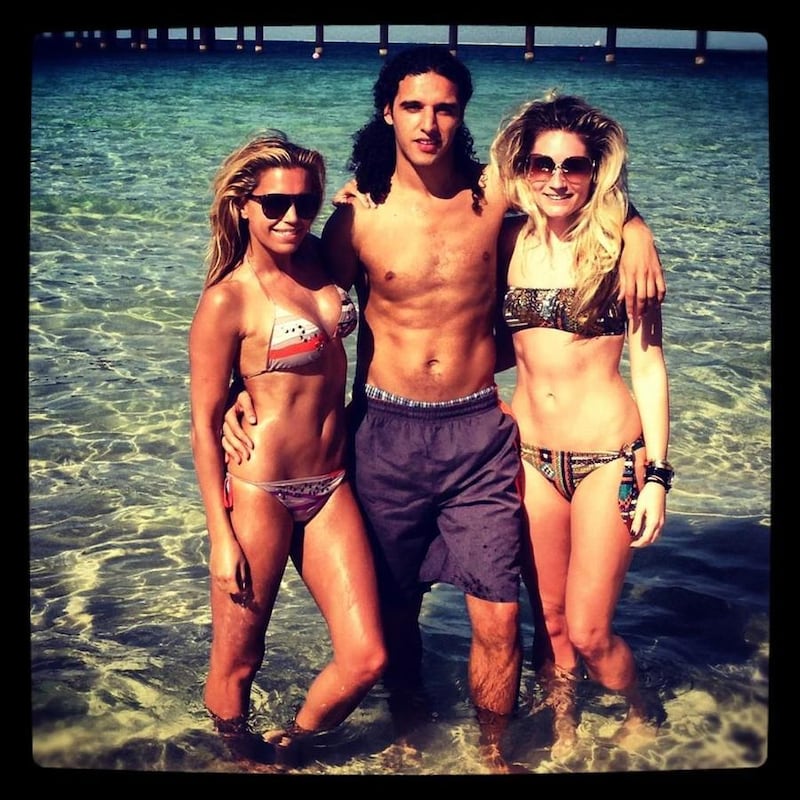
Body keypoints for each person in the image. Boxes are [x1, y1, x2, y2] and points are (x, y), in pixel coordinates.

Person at [221, 46, 666, 771]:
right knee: (395, 608)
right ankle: (409, 731)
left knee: (499, 614)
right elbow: (286, 301)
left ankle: (492, 755)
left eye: (445, 108)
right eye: (413, 107)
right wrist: (239, 393)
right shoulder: (356, 215)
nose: (429, 124)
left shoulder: (494, 193)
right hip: (384, 430)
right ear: (387, 112)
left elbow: (578, 190)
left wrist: (638, 229)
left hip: (478, 430)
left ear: (462, 116)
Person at [188, 131, 386, 767]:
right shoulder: (228, 299)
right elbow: (203, 424)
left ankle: (289, 746)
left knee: (366, 657)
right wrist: (221, 536)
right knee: (239, 660)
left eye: (305, 202)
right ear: (244, 205)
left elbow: (380, 209)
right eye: (274, 204)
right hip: (260, 492)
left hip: (331, 485)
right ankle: (238, 757)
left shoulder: (322, 260)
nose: (291, 216)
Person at [491, 92, 671, 758]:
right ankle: (564, 730)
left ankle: (643, 709)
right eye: (543, 164)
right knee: (551, 621)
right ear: (523, 168)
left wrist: (658, 476)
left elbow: (648, 366)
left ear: (596, 172)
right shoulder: (506, 237)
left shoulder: (622, 248)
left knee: (592, 630)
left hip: (608, 460)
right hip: (531, 457)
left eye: (574, 165)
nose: (557, 179)